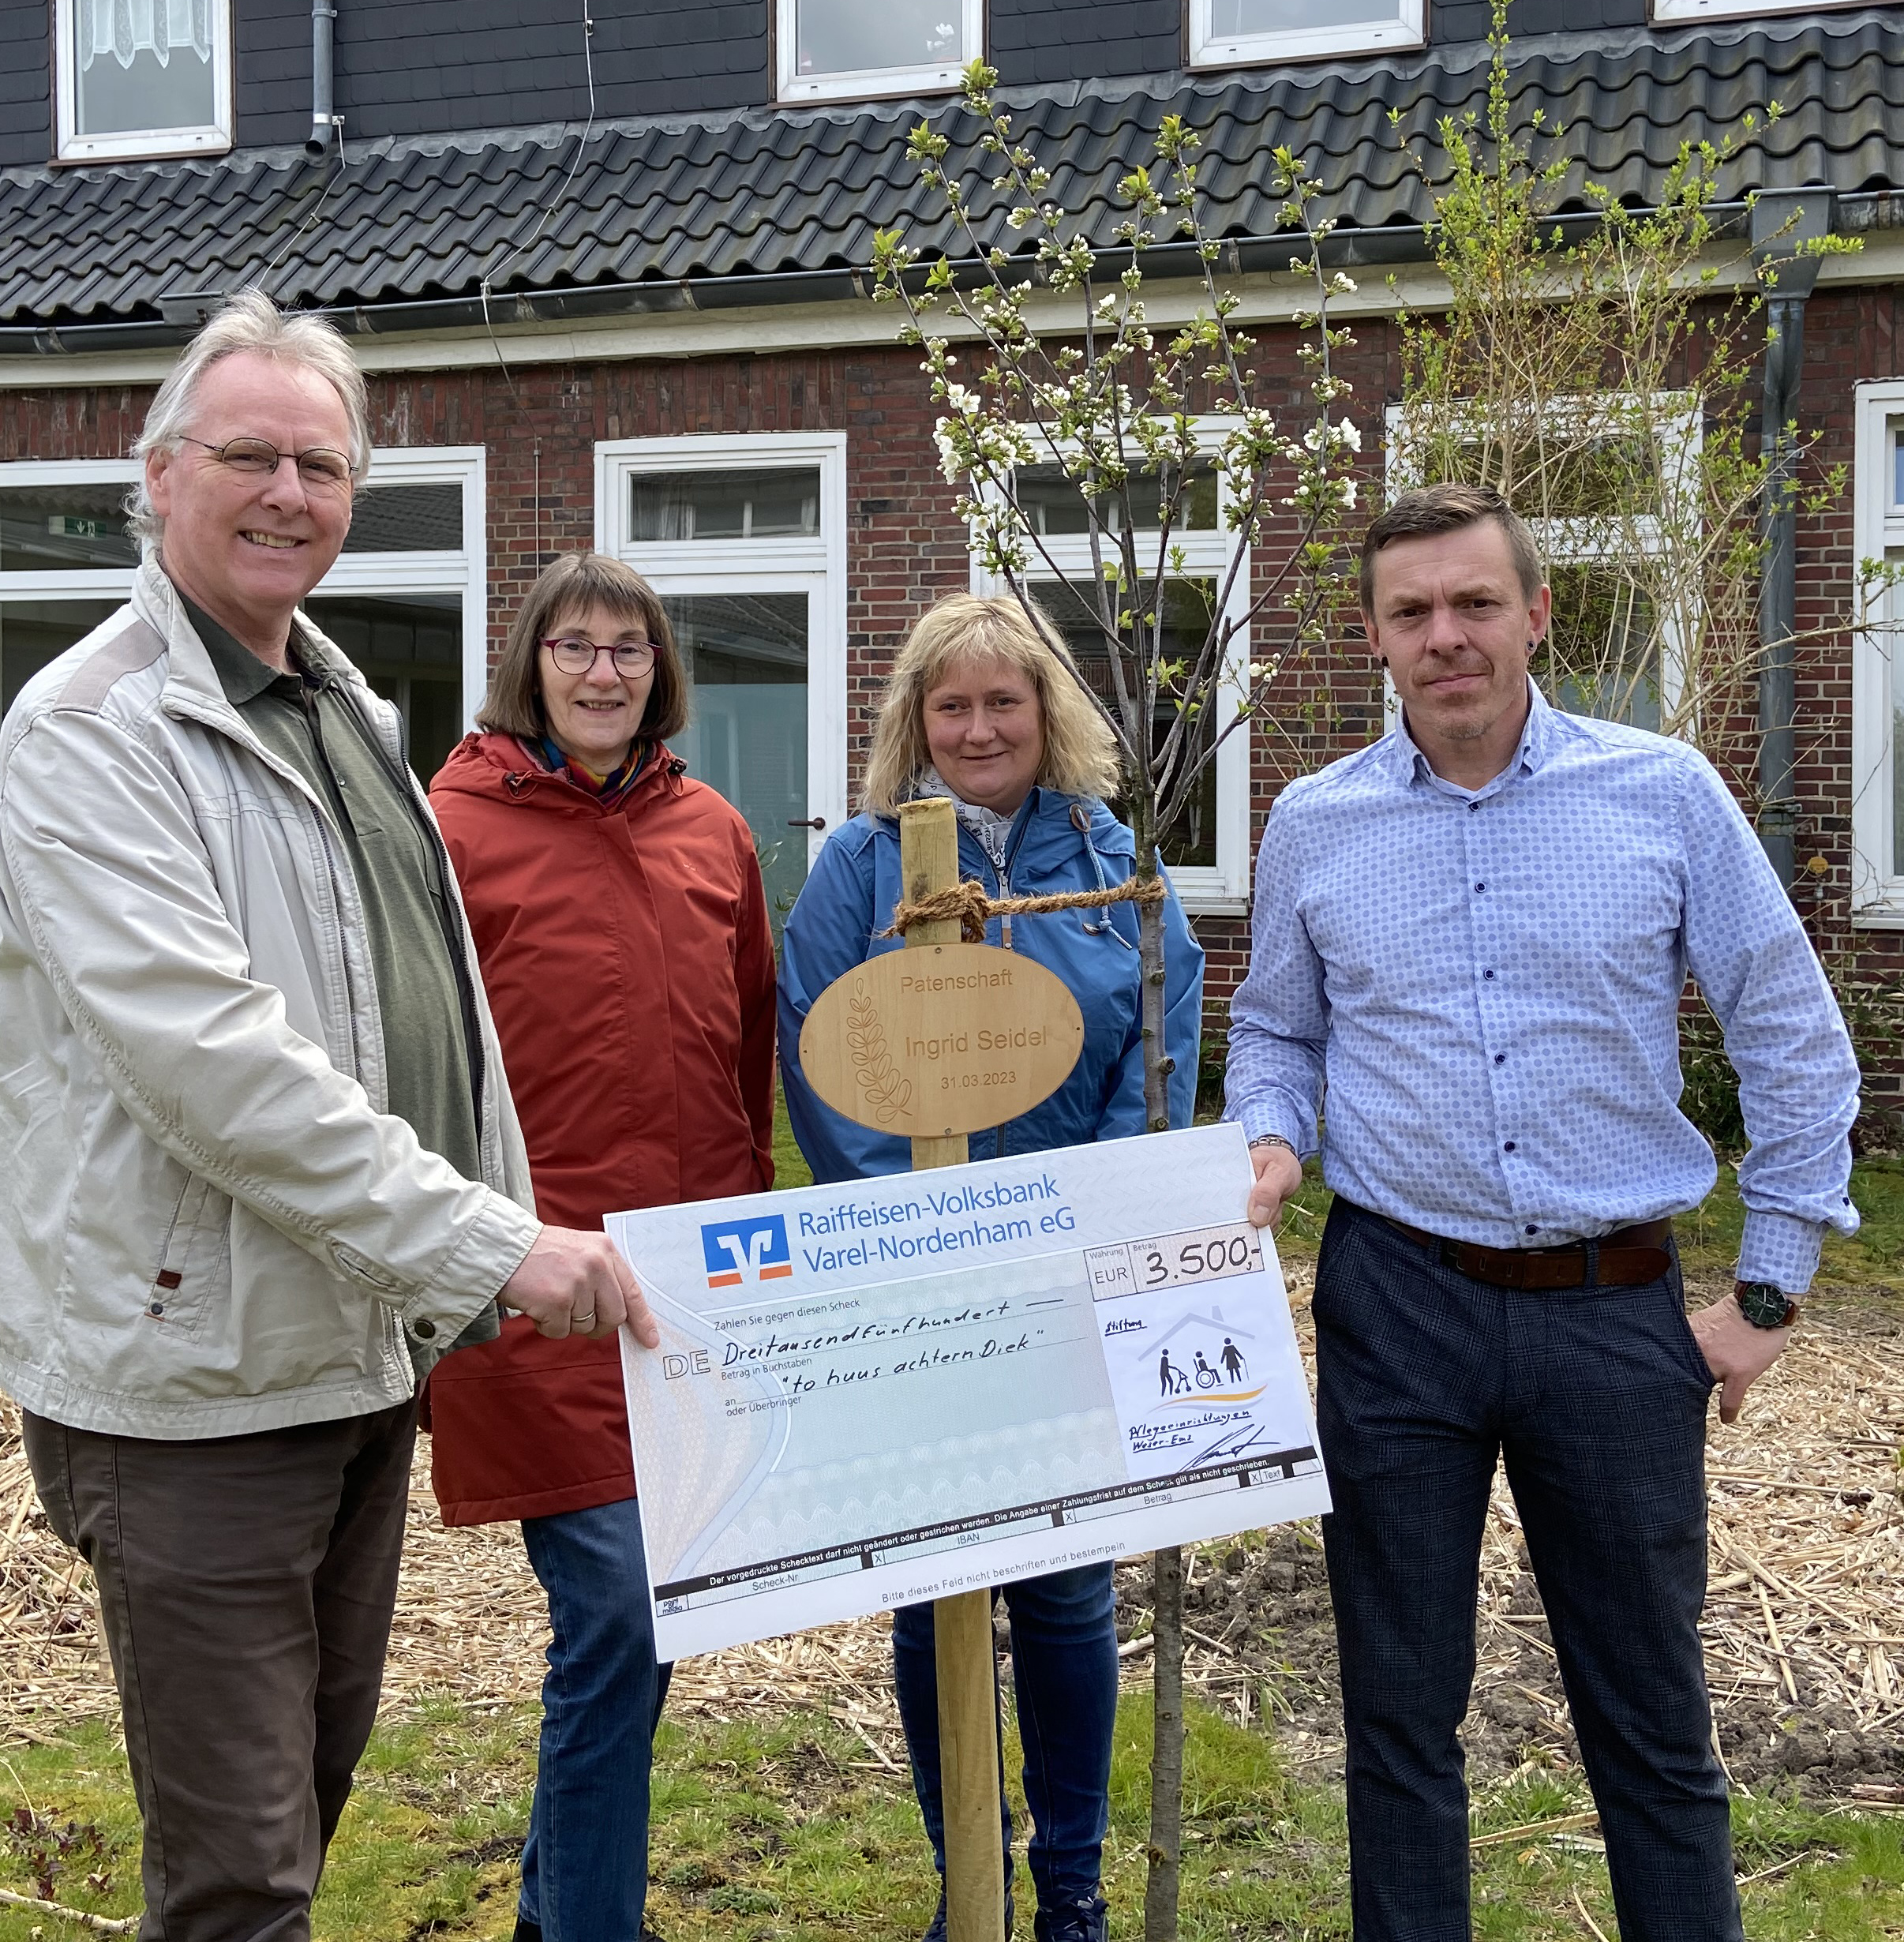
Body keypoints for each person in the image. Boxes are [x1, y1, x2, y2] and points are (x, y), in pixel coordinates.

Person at [0, 291, 656, 1942]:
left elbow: (434, 1014)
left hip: (348, 1354)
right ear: (155, 477)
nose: (290, 491)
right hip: (193, 1386)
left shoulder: (346, 714)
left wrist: (474, 1264)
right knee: (241, 1879)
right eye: (250, 455)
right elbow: (220, 1068)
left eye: (323, 464)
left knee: (301, 1810)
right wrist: (498, 1241)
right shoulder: (88, 730)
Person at [1226, 482, 1861, 1942]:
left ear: (1538, 615)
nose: (1446, 636)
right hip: (1396, 1309)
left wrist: (1769, 1293)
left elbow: (1791, 1033)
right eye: (1412, 614)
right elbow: (1277, 1033)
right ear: (1375, 638)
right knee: (1397, 1717)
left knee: (1649, 1718)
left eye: (1474, 604)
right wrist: (1270, 1138)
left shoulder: (1663, 792)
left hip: (1611, 1311)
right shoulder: (1316, 823)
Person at [778, 592, 1205, 1942]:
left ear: (1046, 713)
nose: (976, 728)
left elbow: (1160, 1029)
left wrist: (1081, 1214)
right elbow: (816, 1040)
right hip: (915, 1276)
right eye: (949, 706)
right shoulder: (865, 864)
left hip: (1066, 1274)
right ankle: (974, 1878)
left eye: (1002, 703)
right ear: (917, 720)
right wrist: (914, 1219)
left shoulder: (1104, 854)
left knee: (1069, 1589)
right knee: (935, 1587)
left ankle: (1070, 1886)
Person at [424, 552, 776, 1942]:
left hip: (687, 1287)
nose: (602, 672)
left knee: (641, 1626)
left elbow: (745, 1051)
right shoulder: (451, 827)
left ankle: (553, 1910)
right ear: (532, 663)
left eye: (628, 648)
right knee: (621, 1615)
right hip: (539, 1283)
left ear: (660, 669)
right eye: (575, 647)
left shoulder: (713, 832)